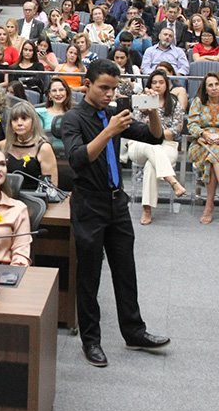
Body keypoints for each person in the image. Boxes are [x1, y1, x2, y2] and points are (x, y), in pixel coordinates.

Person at [61, 59, 169, 367]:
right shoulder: (73, 118)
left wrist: (152, 111)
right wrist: (108, 132)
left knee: (125, 270)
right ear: (87, 85)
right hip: (88, 203)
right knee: (89, 275)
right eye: (104, 88)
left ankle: (134, 331)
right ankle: (91, 340)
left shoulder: (112, 115)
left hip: (116, 202)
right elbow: (78, 159)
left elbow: (154, 137)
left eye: (114, 88)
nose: (110, 94)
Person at [125, 70, 188, 225]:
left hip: (167, 146)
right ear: (149, 85)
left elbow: (176, 131)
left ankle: (146, 209)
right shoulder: (143, 100)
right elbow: (136, 128)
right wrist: (155, 133)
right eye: (154, 82)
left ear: (167, 85)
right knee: (153, 146)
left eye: (161, 82)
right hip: (139, 145)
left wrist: (156, 134)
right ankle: (172, 180)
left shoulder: (174, 103)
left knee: (151, 165)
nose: (157, 85)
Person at [187, 72, 219, 223]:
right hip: (200, 144)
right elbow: (192, 125)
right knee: (214, 152)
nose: (214, 88)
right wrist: (203, 134)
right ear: (205, 89)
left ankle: (209, 206)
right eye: (210, 85)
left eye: (217, 84)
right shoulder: (198, 102)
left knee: (214, 154)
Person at [0, 101, 58, 191]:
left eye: (24, 118)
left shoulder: (44, 148)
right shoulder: (5, 145)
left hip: (34, 197)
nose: (19, 123)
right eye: (15, 119)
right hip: (7, 196)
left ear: (33, 122)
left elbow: (51, 188)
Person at [37, 77, 71, 152]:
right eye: (54, 91)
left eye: (61, 90)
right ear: (49, 94)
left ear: (67, 92)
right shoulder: (40, 113)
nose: (58, 94)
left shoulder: (75, 113)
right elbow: (38, 139)